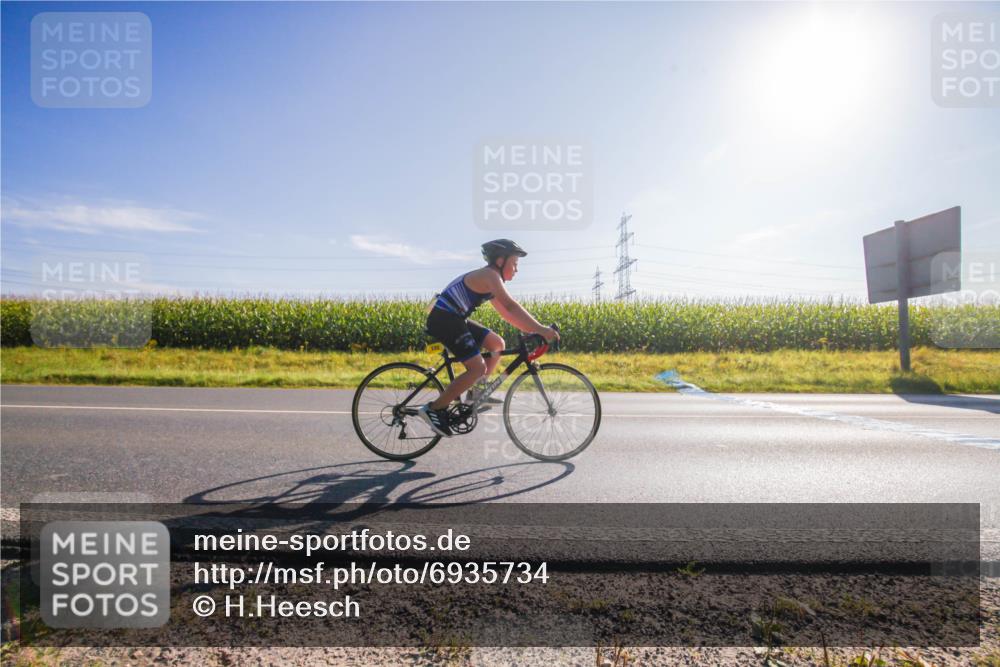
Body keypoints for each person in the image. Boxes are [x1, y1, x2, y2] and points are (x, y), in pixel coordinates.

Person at [418, 239, 559, 437]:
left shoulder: (491, 279)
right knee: (477, 368)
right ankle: (434, 408)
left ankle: (476, 392)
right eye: (515, 264)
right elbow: (511, 306)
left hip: (454, 317)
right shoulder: (490, 275)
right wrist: (541, 329)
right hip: (444, 319)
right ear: (500, 261)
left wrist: (532, 330)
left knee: (496, 343)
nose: (517, 270)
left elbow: (506, 314)